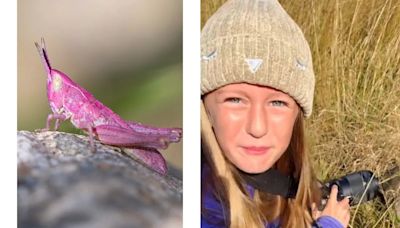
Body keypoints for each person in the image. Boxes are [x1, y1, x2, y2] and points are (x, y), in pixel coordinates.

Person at [200, 0, 350, 227]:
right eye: (235, 100)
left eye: (277, 103)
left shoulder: (283, 185)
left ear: (297, 114)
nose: (257, 127)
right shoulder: (204, 209)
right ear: (204, 108)